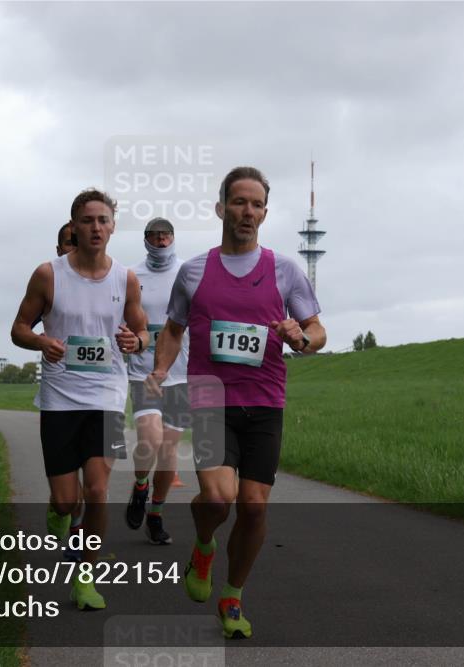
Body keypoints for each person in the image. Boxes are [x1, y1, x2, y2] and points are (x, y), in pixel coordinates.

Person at [145, 167, 326, 639]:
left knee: (254, 507)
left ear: (265, 212)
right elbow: (173, 328)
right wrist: (162, 369)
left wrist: (301, 336)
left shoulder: (285, 270)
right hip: (210, 398)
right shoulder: (194, 271)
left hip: (265, 401)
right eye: (240, 202)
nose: (248, 212)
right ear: (221, 207)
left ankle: (233, 595)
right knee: (221, 498)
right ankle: (204, 544)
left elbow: (319, 332)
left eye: (257, 204)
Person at [11, 187, 149, 611]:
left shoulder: (125, 278)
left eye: (103, 220)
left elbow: (143, 335)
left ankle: (86, 578)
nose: (95, 227)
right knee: (67, 499)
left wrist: (133, 340)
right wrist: (40, 342)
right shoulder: (48, 274)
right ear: (74, 226)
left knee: (98, 488)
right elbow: (18, 328)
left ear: (112, 227)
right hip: (59, 398)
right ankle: (59, 511)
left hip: (107, 395)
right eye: (87, 220)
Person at [125, 217, 191, 546]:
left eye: (166, 236)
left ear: (174, 239)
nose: (161, 242)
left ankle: (156, 514)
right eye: (155, 237)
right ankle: (140, 487)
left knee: (168, 451)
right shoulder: (132, 276)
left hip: (181, 374)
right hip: (143, 371)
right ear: (146, 240)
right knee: (149, 440)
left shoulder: (189, 272)